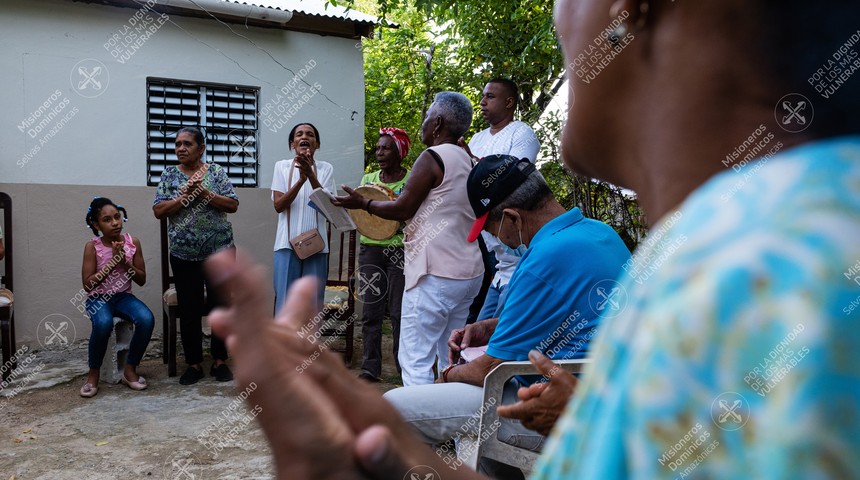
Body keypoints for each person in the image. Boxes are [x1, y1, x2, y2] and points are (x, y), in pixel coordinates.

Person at [200, 0, 860, 478]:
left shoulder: (734, 261)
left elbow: (484, 358)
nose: (558, 18)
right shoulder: (765, 235)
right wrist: (395, 458)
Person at [383, 154, 630, 475]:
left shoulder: (543, 258)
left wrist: (448, 373)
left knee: (391, 408)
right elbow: (562, 310)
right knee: (477, 435)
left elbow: (491, 368)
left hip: (557, 405)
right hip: (608, 393)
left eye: (490, 229)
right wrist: (489, 327)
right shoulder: (599, 233)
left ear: (512, 218)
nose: (494, 239)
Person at [334, 92, 484, 386]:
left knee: (414, 359)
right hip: (468, 272)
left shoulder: (433, 157)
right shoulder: (469, 159)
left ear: (438, 122)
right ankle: (449, 423)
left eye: (427, 117)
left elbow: (402, 208)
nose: (423, 124)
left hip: (436, 272)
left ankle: (421, 429)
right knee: (448, 354)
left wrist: (363, 204)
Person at [153, 126, 239, 385]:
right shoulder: (169, 175)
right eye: (178, 143)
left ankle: (219, 360)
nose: (180, 148)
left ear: (201, 148)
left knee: (220, 305)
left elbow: (233, 204)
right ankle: (194, 363)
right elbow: (159, 211)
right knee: (189, 309)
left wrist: (204, 193)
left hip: (220, 251)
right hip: (183, 255)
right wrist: (184, 198)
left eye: (187, 144)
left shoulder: (215, 172)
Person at [467, 79, 541, 323]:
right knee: (476, 302)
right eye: (483, 96)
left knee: (511, 294)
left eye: (490, 96)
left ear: (509, 102)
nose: (482, 102)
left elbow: (513, 177)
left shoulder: (522, 133)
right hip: (480, 232)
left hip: (508, 233)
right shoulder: (476, 139)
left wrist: (473, 164)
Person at [79, 197, 154, 398]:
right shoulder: (92, 247)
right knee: (103, 323)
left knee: (146, 319)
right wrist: (113, 263)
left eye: (117, 217)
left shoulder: (132, 243)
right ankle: (93, 374)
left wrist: (125, 263)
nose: (115, 223)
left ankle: (130, 371)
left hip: (122, 297)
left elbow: (141, 279)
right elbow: (87, 284)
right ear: (96, 224)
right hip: (98, 298)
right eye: (107, 219)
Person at [356, 128, 411, 382]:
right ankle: (370, 367)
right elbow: (360, 212)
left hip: (399, 249)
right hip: (371, 249)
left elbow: (413, 215)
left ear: (399, 152)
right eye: (378, 148)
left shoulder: (411, 181)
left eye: (386, 148)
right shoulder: (368, 179)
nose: (379, 153)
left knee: (399, 312)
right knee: (371, 311)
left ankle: (404, 367)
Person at [271, 123, 335, 311]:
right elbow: (278, 206)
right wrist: (301, 180)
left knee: (312, 305)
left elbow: (328, 209)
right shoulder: (281, 167)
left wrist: (311, 176)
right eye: (299, 134)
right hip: (286, 245)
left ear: (317, 144)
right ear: (293, 144)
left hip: (317, 247)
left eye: (310, 134)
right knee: (285, 303)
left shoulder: (325, 169)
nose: (304, 137)